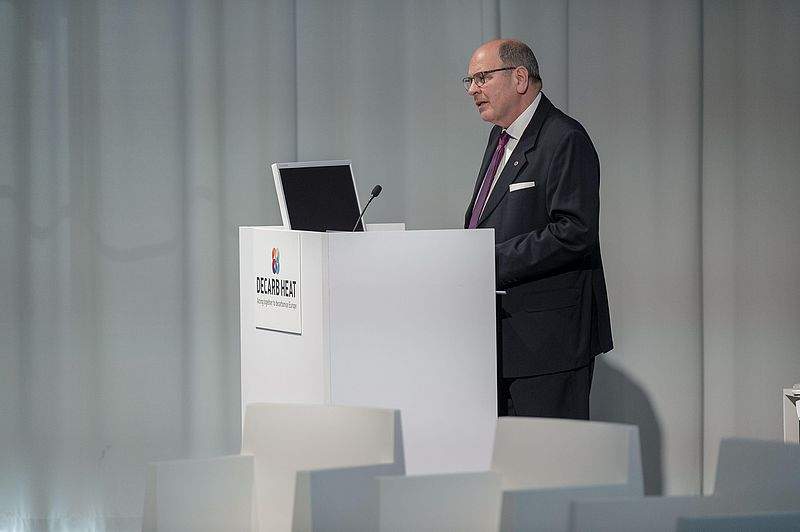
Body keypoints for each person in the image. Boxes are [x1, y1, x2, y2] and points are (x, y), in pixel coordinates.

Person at [463, 39, 613, 419]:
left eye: (482, 77)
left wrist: (488, 260)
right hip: (503, 339)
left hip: (549, 343)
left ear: (519, 78)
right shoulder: (499, 138)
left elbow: (574, 231)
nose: (472, 89)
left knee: (549, 454)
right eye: (470, 80)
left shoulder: (564, 138)